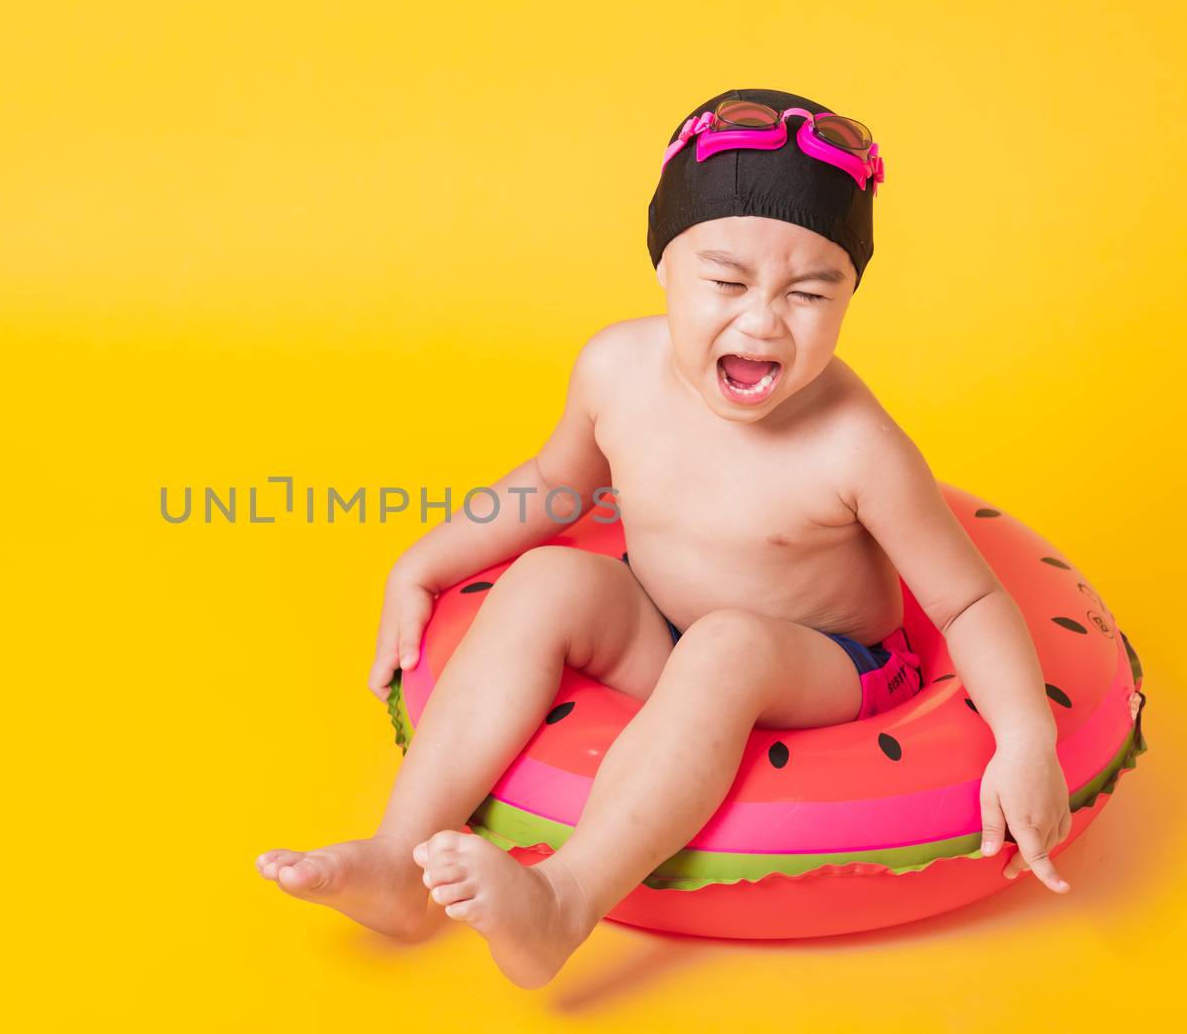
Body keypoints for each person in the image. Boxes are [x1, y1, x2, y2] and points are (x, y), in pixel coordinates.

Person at [254, 87, 1071, 988]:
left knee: (725, 647)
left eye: (809, 291)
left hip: (835, 667)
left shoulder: (856, 446)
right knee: (543, 581)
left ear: (849, 294)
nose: (763, 321)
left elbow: (968, 599)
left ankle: (564, 903)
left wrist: (1027, 739)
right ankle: (399, 863)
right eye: (726, 281)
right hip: (663, 623)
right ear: (664, 268)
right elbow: (552, 488)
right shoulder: (614, 368)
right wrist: (422, 562)